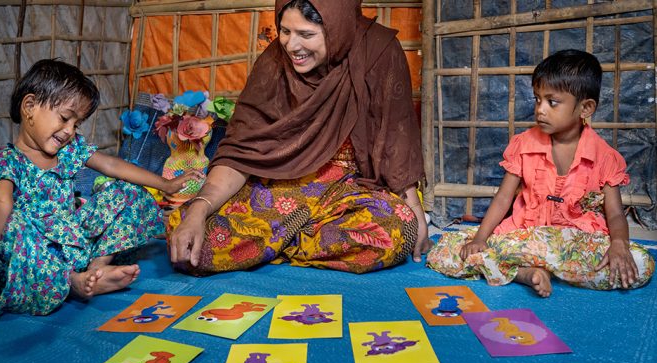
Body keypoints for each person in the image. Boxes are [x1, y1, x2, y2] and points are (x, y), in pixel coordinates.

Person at [167, 0, 430, 275]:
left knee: (398, 227)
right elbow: (240, 152)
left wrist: (414, 209)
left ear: (336, 28)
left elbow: (395, 136)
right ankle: (293, 239)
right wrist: (199, 210)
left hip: (348, 190)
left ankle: (274, 244)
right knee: (189, 240)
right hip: (277, 184)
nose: (292, 46)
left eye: (306, 34)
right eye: (285, 31)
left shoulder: (377, 50)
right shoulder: (274, 61)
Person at [0, 59, 203, 320]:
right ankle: (72, 281)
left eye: (76, 124)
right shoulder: (8, 161)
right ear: (29, 107)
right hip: (36, 255)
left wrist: (166, 184)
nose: (69, 131)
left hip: (74, 239)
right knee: (13, 225)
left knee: (127, 192)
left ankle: (97, 270)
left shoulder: (69, 148)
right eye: (65, 118)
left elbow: (110, 164)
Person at [426, 49, 655, 297]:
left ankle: (521, 267)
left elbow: (615, 214)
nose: (540, 110)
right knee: (444, 252)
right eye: (537, 99)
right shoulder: (523, 144)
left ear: (585, 108)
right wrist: (480, 238)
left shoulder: (606, 157)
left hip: (572, 242)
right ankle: (528, 273)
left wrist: (619, 245)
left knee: (640, 265)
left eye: (552, 102)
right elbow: (504, 199)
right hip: (524, 236)